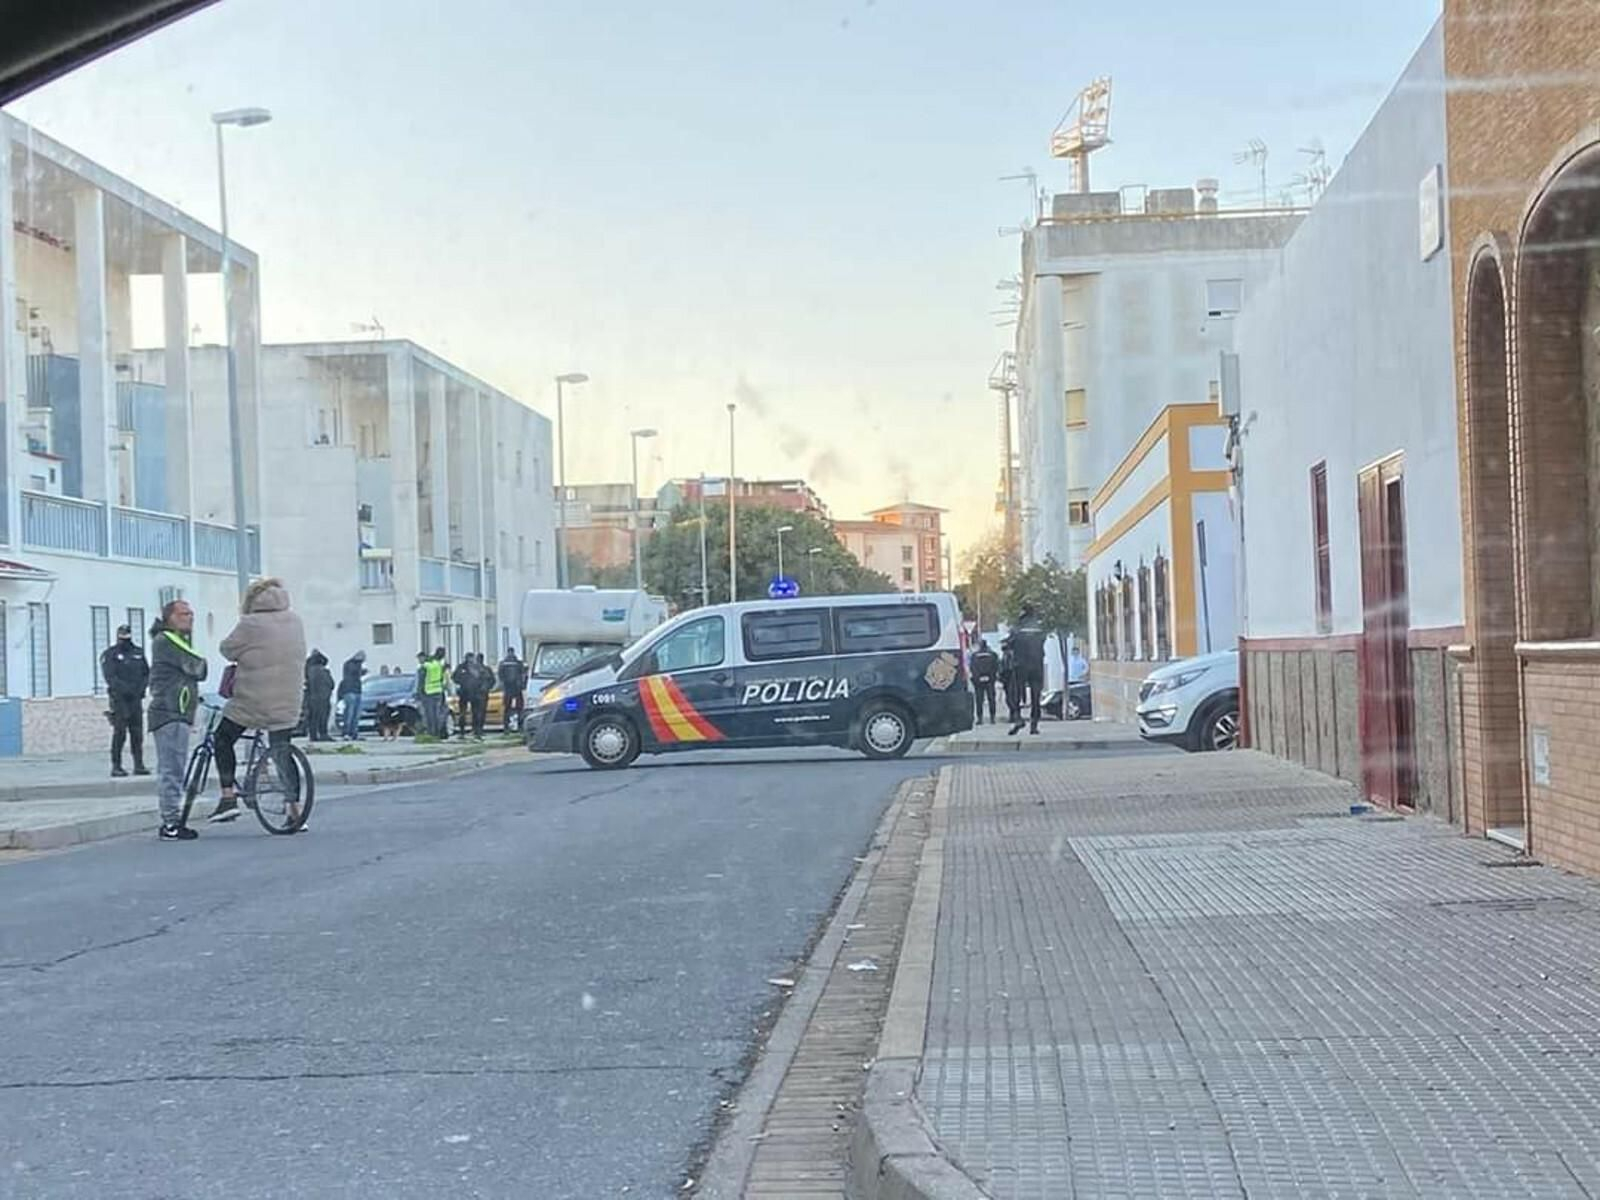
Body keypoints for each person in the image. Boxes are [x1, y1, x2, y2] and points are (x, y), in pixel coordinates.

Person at [209, 577, 308, 825]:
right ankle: (295, 811)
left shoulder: (250, 623)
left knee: (222, 739)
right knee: (281, 750)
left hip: (253, 700)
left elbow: (227, 650)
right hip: (289, 699)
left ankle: (228, 798)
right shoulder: (295, 621)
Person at [146, 599, 207, 840]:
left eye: (191, 614)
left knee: (176, 767)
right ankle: (170, 822)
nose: (189, 618)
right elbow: (199, 667)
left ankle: (174, 818)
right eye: (183, 614)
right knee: (172, 768)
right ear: (169, 617)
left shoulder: (178, 640)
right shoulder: (168, 641)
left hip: (178, 713)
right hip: (170, 712)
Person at [101, 624, 150, 777]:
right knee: (119, 733)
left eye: (126, 635)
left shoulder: (138, 653)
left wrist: (140, 690)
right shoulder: (110, 654)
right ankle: (116, 766)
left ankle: (139, 764)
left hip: (136, 699)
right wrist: (124, 690)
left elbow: (146, 673)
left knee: (137, 733)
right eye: (122, 635)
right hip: (119, 700)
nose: (124, 638)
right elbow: (110, 676)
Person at [1007, 605, 1047, 737]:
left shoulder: (1017, 628)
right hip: (1037, 665)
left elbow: (1009, 644)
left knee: (1014, 694)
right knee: (1036, 697)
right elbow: (1042, 641)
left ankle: (1018, 718)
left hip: (1021, 665)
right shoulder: (1040, 627)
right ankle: (1034, 725)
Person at [454, 653, 491, 741]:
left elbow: (486, 678)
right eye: (469, 658)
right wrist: (461, 683)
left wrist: (483, 688)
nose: (471, 660)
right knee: (463, 713)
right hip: (464, 693)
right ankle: (462, 732)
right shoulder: (461, 667)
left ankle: (476, 732)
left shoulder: (478, 667)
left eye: (471, 658)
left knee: (476, 713)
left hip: (475, 693)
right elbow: (455, 677)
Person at [303, 650, 335, 742]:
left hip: (311, 697)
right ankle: (323, 734)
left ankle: (313, 736)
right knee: (323, 717)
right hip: (324, 698)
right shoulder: (324, 671)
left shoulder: (308, 671)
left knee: (313, 718)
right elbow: (332, 684)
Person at [337, 649, 367, 740]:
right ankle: (346, 732)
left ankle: (354, 733)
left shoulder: (356, 665)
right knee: (349, 713)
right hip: (349, 691)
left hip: (357, 690)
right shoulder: (350, 664)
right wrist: (361, 670)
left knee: (356, 714)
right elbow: (352, 673)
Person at [969, 638, 999, 725]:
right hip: (990, 679)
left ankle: (980, 718)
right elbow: (996, 666)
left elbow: (972, 667)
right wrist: (992, 676)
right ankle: (992, 718)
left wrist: (976, 677)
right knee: (991, 699)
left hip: (978, 680)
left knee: (979, 700)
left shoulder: (975, 655)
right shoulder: (993, 654)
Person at [420, 647, 449, 737]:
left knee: (430, 714)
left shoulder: (426, 665)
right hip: (438, 691)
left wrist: (420, 691)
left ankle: (431, 733)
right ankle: (437, 732)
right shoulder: (439, 665)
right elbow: (442, 678)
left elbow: (421, 680)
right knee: (437, 714)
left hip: (428, 692)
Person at [498, 646, 527, 733]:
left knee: (507, 708)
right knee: (519, 709)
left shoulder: (503, 663)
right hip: (517, 688)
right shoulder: (518, 662)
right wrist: (522, 685)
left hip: (508, 688)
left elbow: (500, 676)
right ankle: (520, 727)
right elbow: (523, 674)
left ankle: (506, 727)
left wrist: (504, 684)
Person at [997, 638, 1019, 727]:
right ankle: (1013, 715)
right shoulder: (1006, 655)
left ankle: (1014, 715)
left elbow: (1007, 668)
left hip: (1010, 679)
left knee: (1011, 698)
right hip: (1008, 679)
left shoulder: (1009, 655)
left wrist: (1001, 675)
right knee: (1010, 698)